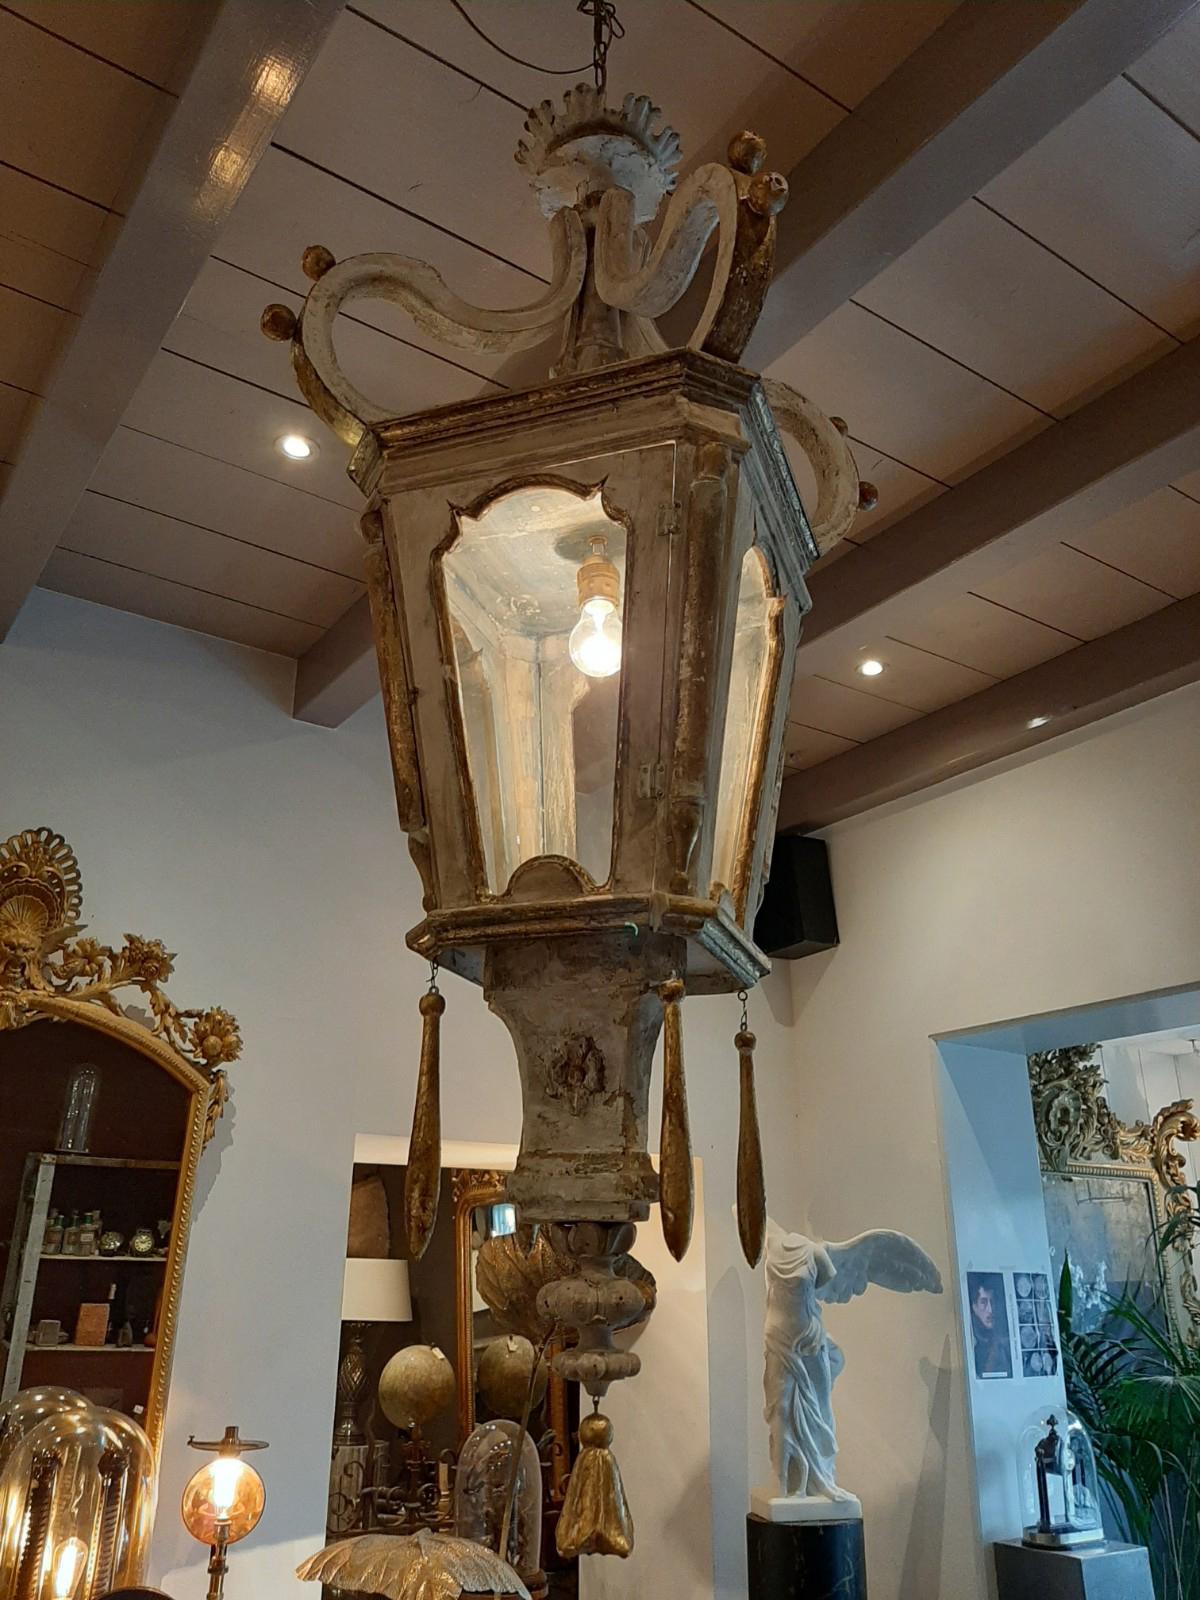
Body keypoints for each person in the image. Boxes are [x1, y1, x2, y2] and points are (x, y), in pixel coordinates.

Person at [970, 1277, 1011, 1377]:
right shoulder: (972, 1342)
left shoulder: (1003, 1339)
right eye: (983, 1302)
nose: (990, 1310)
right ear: (974, 1307)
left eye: (992, 1302)